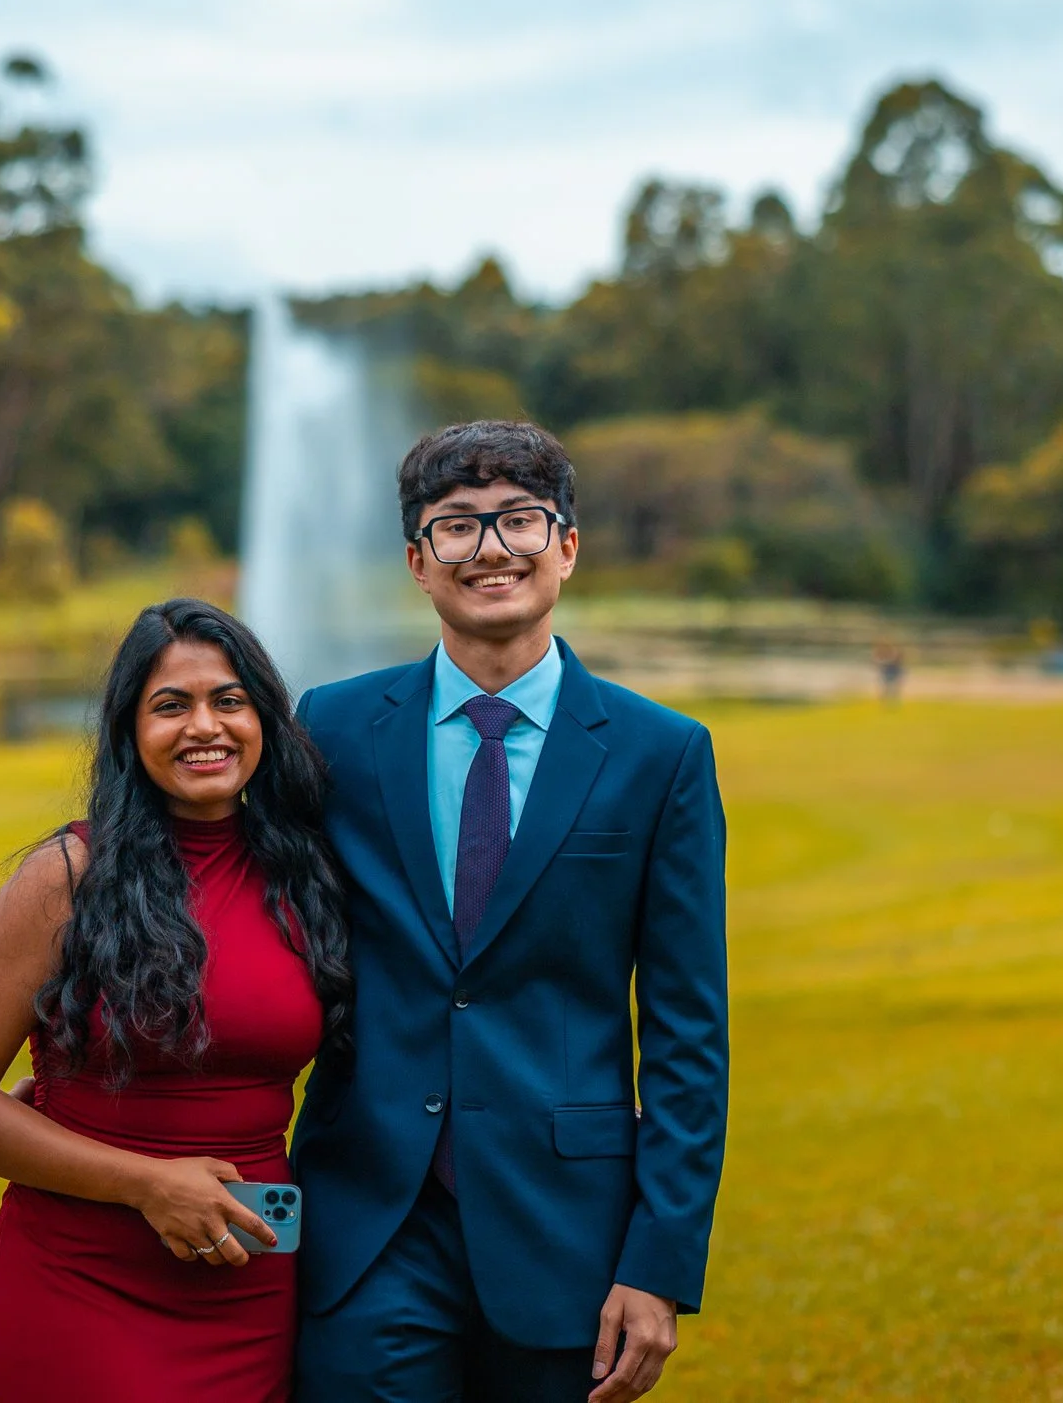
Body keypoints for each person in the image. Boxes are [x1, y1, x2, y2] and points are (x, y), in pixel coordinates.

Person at [292, 420, 730, 1403]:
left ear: (567, 546)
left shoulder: (660, 754)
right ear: (417, 561)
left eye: (520, 520)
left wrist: (660, 1259)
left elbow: (688, 1031)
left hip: (566, 1227)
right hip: (369, 1220)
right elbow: (243, 909)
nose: (491, 548)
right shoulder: (332, 729)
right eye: (456, 526)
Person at [0, 598, 351, 1403]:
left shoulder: (306, 875)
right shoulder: (69, 877)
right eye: (170, 705)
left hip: (251, 1279)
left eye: (229, 700)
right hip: (84, 1278)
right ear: (128, 731)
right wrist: (148, 1183)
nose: (204, 726)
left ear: (264, 718)